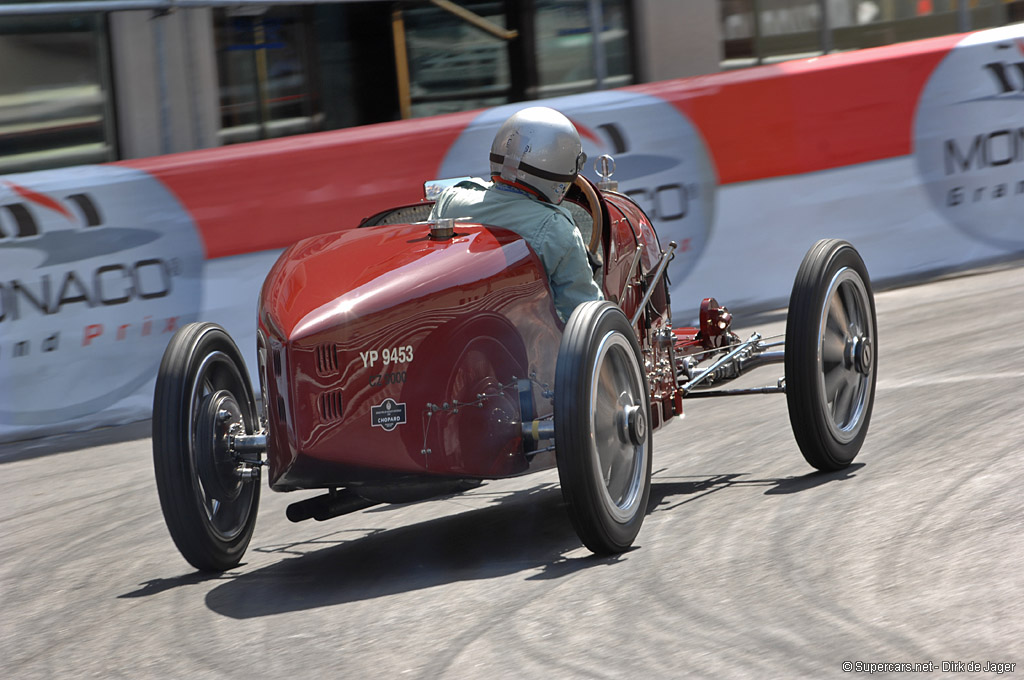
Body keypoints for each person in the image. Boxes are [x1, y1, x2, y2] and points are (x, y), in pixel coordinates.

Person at [429, 106, 603, 323]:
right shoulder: (557, 228)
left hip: (451, 326)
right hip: (527, 347)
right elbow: (584, 315)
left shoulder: (450, 199)